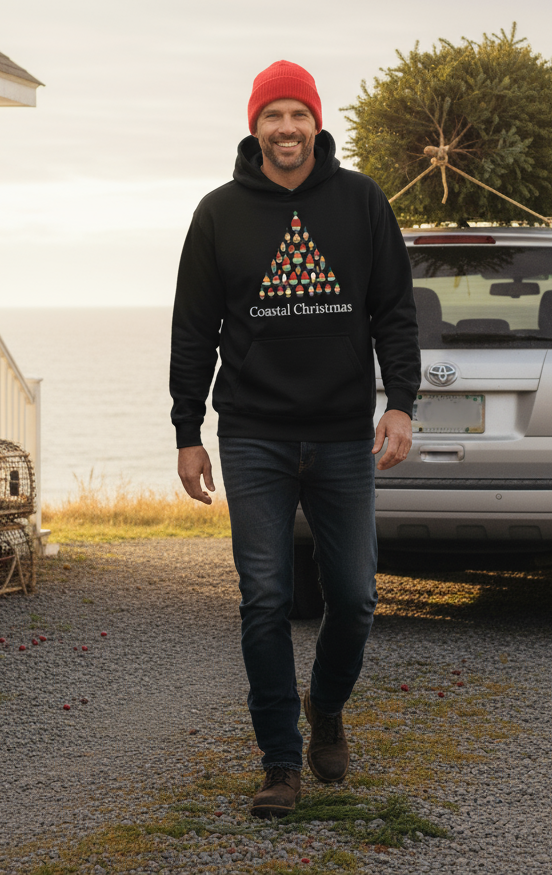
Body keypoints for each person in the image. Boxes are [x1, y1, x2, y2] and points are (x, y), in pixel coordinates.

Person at [169, 60, 420, 818]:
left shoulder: (360, 202)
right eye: (272, 115)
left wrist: (400, 403)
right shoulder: (219, 213)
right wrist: (188, 430)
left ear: (317, 123)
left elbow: (394, 312)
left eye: (298, 114)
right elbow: (193, 329)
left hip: (344, 435)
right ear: (255, 126)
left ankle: (329, 708)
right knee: (266, 599)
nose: (286, 129)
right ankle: (281, 762)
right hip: (253, 436)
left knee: (355, 598)